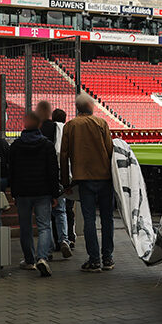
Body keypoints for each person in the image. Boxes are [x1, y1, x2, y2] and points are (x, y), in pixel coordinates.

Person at [61, 94, 115, 272]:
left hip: (83, 179)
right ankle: (108, 258)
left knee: (89, 219)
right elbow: (110, 151)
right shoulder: (101, 123)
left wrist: (65, 182)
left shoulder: (71, 126)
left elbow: (64, 155)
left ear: (78, 108)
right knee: (107, 219)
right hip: (105, 177)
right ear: (90, 107)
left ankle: (94, 260)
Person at [8, 110, 63, 275]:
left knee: (25, 227)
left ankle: (30, 260)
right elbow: (53, 172)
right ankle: (42, 258)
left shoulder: (16, 146)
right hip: (43, 192)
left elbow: (13, 172)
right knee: (44, 226)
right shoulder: (46, 145)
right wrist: (55, 194)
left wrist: (15, 193)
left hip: (23, 192)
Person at [44, 107, 74, 258]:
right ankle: (64, 239)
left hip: (46, 177)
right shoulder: (66, 130)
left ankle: (48, 248)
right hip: (63, 177)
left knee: (46, 215)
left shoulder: (47, 132)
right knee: (61, 211)